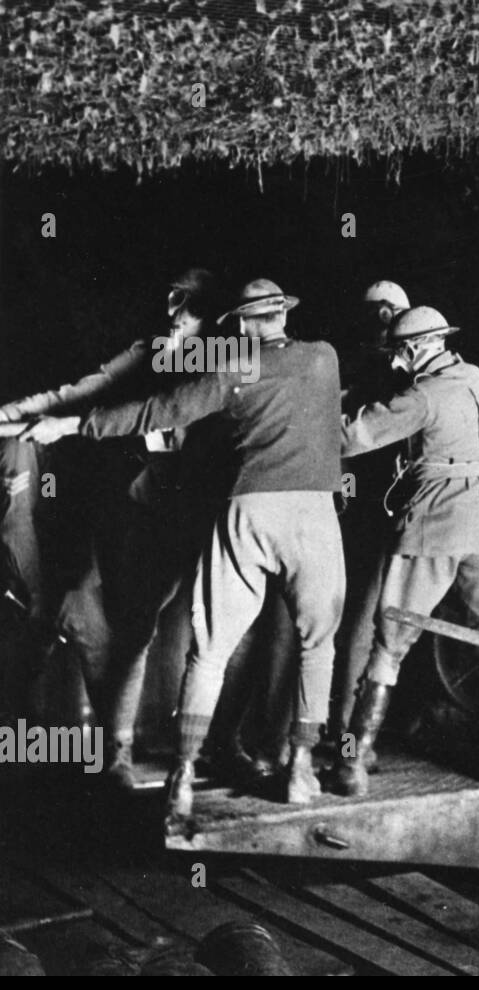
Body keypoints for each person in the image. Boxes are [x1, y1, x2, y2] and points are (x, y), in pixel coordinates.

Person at [25, 279, 346, 817]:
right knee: (318, 645)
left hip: (247, 511)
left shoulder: (229, 369)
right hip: (312, 514)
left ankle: (182, 777)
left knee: (211, 649)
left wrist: (72, 425)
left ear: (240, 325)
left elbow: (158, 410)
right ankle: (301, 769)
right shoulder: (325, 357)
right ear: (282, 315)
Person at [6, 268, 232, 787]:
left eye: (186, 307)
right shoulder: (151, 352)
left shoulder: (228, 365)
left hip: (206, 511)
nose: (173, 316)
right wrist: (14, 413)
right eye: (172, 304)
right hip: (136, 508)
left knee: (216, 631)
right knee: (129, 626)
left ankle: (220, 744)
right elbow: (83, 391)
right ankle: (117, 752)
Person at [332, 305, 479, 795]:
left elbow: (351, 438)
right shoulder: (478, 377)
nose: (395, 362)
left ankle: (354, 762)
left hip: (439, 524)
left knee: (390, 640)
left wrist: (301, 416)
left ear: (417, 348)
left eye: (399, 352)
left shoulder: (421, 396)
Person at [332, 280, 411, 750]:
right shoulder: (392, 369)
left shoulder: (353, 361)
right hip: (376, 506)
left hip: (365, 503)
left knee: (354, 617)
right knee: (365, 617)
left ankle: (336, 727)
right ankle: (344, 732)